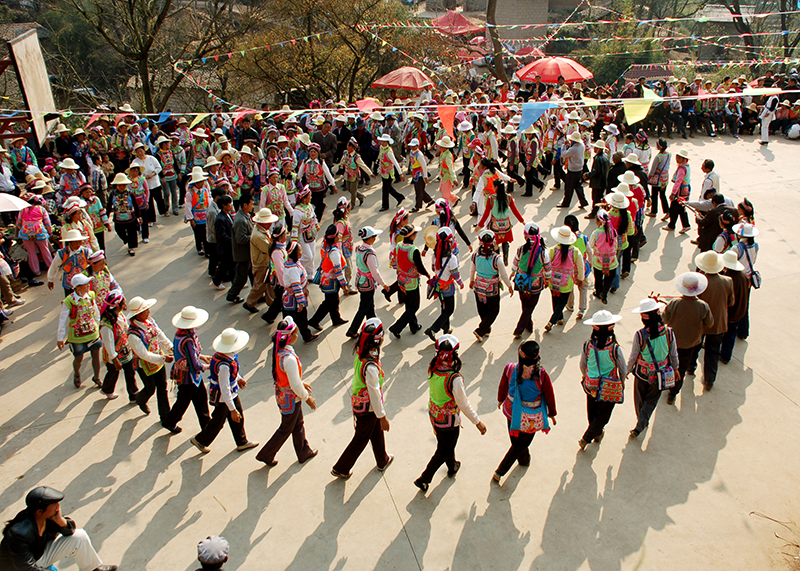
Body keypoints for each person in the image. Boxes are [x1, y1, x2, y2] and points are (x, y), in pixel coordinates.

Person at [414, 334, 486, 492]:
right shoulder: (454, 378)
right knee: (444, 449)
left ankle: (452, 466)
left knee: (446, 444)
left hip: (434, 415)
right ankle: (424, 479)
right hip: (448, 421)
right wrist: (477, 422)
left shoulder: (433, 367)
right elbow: (464, 404)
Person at [331, 318, 394, 479]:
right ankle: (341, 468)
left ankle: (382, 460)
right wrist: (383, 417)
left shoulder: (362, 353)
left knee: (376, 433)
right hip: (368, 409)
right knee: (361, 438)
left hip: (362, 405)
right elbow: (374, 393)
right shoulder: (371, 366)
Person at [0, 486, 116, 571]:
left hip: (39, 556)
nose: (58, 507)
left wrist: (60, 521)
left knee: (79, 537)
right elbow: (26, 568)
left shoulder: (48, 517)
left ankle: (92, 569)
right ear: (40, 511)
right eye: (54, 505)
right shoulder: (19, 533)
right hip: (20, 568)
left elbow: (70, 532)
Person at [256, 316, 319, 466]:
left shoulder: (278, 351)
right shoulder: (289, 358)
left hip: (283, 395)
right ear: (290, 337)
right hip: (292, 398)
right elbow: (295, 385)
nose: (298, 335)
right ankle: (266, 453)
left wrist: (302, 383)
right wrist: (307, 397)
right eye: (296, 333)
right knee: (286, 428)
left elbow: (290, 378)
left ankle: (304, 451)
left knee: (297, 424)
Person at [493, 340, 556, 483]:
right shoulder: (542, 375)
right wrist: (551, 413)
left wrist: (500, 399)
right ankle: (501, 471)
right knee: (520, 445)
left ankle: (524, 460)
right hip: (531, 418)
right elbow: (549, 394)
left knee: (516, 440)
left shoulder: (509, 368)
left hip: (511, 411)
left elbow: (503, 386)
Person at [191, 327, 258, 453]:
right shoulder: (224, 366)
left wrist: (238, 378)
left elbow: (232, 374)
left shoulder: (223, 356)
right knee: (219, 421)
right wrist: (231, 409)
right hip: (225, 397)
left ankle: (241, 441)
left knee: (237, 417)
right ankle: (201, 440)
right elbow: (224, 388)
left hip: (229, 394)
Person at [626, 298, 680, 438]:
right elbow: (673, 353)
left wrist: (627, 370)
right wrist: (676, 368)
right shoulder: (669, 332)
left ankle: (641, 422)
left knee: (639, 399)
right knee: (651, 401)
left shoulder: (640, 335)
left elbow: (634, 356)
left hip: (642, 374)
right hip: (661, 374)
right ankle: (642, 423)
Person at [661, 272, 714, 404]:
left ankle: (666, 383)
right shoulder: (703, 306)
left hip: (672, 341)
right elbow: (710, 323)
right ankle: (673, 393)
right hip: (690, 343)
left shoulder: (674, 303)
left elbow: (664, 319)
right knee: (681, 368)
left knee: (668, 364)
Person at [578, 310, 627, 449]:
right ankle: (587, 438)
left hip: (590, 385)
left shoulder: (588, 345)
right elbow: (623, 368)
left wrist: (585, 376)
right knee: (603, 416)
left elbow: (583, 365)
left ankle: (596, 433)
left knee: (592, 412)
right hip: (608, 386)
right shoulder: (615, 348)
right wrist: (622, 382)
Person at [161, 306, 212, 434]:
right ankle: (170, 421)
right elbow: (195, 365)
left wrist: (202, 357)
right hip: (188, 377)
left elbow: (189, 354)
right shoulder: (188, 340)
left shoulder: (180, 334)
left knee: (198, 399)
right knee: (185, 401)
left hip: (188, 375)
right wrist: (208, 367)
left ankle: (206, 426)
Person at [127, 296, 174, 422]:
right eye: (145, 310)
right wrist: (163, 358)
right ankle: (140, 399)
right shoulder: (133, 334)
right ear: (138, 314)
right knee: (150, 388)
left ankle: (165, 417)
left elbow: (159, 334)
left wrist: (170, 347)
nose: (148, 311)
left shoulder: (150, 321)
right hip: (145, 366)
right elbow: (144, 355)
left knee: (162, 387)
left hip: (159, 360)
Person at [695, 251, 735, 390]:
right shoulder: (728, 281)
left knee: (695, 347)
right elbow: (731, 302)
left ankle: (690, 367)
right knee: (713, 351)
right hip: (719, 323)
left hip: (701, 322)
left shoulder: (700, 282)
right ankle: (709, 380)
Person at [57, 274, 102, 389]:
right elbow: (62, 320)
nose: (88, 286)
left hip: (92, 332)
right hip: (77, 336)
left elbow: (96, 311)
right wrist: (60, 337)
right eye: (85, 284)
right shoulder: (69, 301)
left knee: (96, 356)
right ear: (77, 287)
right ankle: (77, 373)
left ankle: (96, 377)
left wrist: (98, 324)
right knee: (78, 358)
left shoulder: (91, 295)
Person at [346, 226, 389, 338]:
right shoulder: (369, 253)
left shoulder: (360, 248)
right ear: (369, 238)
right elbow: (375, 272)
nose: (375, 238)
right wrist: (384, 284)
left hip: (360, 280)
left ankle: (373, 325)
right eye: (374, 236)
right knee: (364, 307)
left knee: (369, 306)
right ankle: (352, 329)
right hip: (367, 284)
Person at [470, 229, 513, 341]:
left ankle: (486, 329)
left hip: (479, 287)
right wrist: (509, 286)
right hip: (491, 289)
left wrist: (471, 281)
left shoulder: (475, 256)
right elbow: (503, 275)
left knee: (482, 309)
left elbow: (472, 271)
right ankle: (480, 330)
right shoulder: (496, 258)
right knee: (494, 311)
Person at [510, 222, 550, 338]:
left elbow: (515, 263)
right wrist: (547, 279)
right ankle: (519, 329)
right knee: (530, 307)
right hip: (536, 283)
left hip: (522, 281)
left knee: (525, 304)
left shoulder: (521, 249)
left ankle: (529, 324)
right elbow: (548, 268)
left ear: (525, 235)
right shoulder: (543, 252)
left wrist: (513, 273)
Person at [389, 224, 430, 338]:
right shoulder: (414, 250)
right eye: (415, 233)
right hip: (411, 282)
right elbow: (420, 267)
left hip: (401, 280)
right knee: (414, 306)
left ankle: (414, 326)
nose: (416, 235)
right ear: (411, 237)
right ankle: (397, 327)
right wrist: (427, 275)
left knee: (409, 304)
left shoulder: (398, 246)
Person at [98, 291, 139, 402]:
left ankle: (133, 395)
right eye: (123, 302)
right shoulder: (107, 325)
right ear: (117, 305)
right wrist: (114, 359)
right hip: (114, 355)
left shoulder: (120, 315)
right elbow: (109, 343)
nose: (125, 305)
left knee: (130, 373)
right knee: (113, 373)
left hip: (126, 350)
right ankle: (107, 389)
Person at [424, 227, 464, 341]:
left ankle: (446, 330)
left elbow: (433, 268)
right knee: (449, 310)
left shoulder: (434, 256)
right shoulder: (452, 258)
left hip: (438, 287)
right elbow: (455, 274)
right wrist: (460, 282)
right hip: (448, 288)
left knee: (444, 307)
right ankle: (433, 329)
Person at [309, 224, 350, 330]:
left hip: (326, 279)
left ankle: (336, 318)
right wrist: (344, 284)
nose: (339, 236)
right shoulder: (334, 252)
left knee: (334, 300)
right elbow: (338, 270)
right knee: (328, 303)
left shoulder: (325, 247)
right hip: (331, 280)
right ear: (335, 237)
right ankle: (314, 321)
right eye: (338, 234)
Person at [545, 225, 585, 331]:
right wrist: (580, 278)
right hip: (566, 282)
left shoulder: (553, 250)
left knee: (555, 300)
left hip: (553, 280)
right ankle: (552, 321)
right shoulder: (575, 252)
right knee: (562, 302)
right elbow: (581, 266)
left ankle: (560, 318)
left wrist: (546, 277)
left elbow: (547, 264)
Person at [477, 181, 524, 265]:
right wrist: (522, 221)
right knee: (505, 241)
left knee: (495, 244)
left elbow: (486, 213)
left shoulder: (491, 199)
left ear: (496, 187)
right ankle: (505, 257)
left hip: (495, 226)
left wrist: (480, 225)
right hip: (506, 225)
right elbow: (515, 210)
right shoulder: (508, 197)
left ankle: (498, 261)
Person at [243, 207, 279, 313]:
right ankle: (249, 303)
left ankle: (272, 303)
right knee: (260, 286)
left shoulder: (261, 230)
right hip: (261, 263)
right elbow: (268, 248)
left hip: (264, 262)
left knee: (268, 284)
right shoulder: (258, 235)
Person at [282, 241, 318, 343]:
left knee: (302, 319)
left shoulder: (292, 263)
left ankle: (307, 336)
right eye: (300, 250)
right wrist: (301, 302)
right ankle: (282, 339)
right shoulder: (293, 269)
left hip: (292, 298)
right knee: (293, 321)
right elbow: (296, 286)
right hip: (294, 300)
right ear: (295, 252)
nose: (302, 252)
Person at [720, 250, 750, 365]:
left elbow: (727, 299)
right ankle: (726, 356)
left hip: (731, 312)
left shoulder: (728, 279)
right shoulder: (743, 276)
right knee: (731, 334)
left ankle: (724, 355)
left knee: (727, 333)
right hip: (740, 311)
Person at [47, 228, 93, 296]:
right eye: (76, 242)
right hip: (69, 284)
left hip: (84, 283)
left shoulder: (86, 252)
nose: (78, 244)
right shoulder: (62, 253)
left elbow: (92, 265)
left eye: (79, 241)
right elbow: (54, 266)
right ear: (70, 242)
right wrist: (50, 280)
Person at [227, 193, 254, 304]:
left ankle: (257, 294)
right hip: (243, 255)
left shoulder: (245, 215)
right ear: (244, 205)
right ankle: (232, 295)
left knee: (253, 275)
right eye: (251, 204)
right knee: (242, 278)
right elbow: (240, 239)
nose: (253, 206)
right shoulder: (239, 220)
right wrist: (254, 238)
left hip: (248, 253)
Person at [107, 173, 141, 257]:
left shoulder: (130, 193)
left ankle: (131, 248)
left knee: (132, 233)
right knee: (119, 231)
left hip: (130, 217)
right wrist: (106, 217)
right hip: (118, 218)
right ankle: (126, 240)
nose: (122, 187)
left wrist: (139, 216)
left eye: (124, 185)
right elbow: (108, 206)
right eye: (120, 185)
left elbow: (135, 205)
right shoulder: (112, 194)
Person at [261, 224, 288, 325]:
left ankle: (269, 316)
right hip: (280, 281)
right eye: (285, 234)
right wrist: (284, 284)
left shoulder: (280, 248)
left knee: (279, 301)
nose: (286, 236)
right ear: (280, 237)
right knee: (284, 302)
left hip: (281, 280)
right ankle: (286, 323)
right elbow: (279, 270)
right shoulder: (277, 252)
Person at [291, 185, 319, 275]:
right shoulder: (297, 211)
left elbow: (314, 217)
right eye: (309, 196)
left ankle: (310, 274)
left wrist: (316, 224)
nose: (311, 197)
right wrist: (294, 241)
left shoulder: (309, 206)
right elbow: (294, 227)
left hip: (311, 233)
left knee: (313, 254)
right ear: (304, 198)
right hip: (303, 236)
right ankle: (297, 267)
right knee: (308, 256)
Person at [557, 131, 589, 209]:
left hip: (572, 170)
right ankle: (583, 201)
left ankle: (566, 202)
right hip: (579, 169)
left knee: (568, 187)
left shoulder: (573, 149)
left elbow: (563, 154)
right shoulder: (581, 145)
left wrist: (564, 145)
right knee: (578, 186)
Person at [184, 167, 211, 256]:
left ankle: (207, 251)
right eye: (199, 182)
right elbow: (188, 206)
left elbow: (208, 202)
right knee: (198, 234)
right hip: (196, 218)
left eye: (202, 181)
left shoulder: (205, 190)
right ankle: (199, 248)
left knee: (206, 234)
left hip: (205, 216)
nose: (201, 183)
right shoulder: (190, 193)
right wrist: (191, 219)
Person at [663, 149, 691, 234]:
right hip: (685, 189)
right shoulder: (687, 166)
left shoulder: (682, 169)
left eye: (679, 157)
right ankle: (686, 225)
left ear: (683, 159)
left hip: (680, 191)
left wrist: (673, 193)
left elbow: (678, 182)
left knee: (674, 208)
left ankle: (672, 225)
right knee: (681, 208)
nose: (677, 159)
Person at [375, 134, 405, 212]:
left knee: (385, 189)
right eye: (381, 141)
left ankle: (385, 205)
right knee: (388, 188)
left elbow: (395, 162)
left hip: (389, 173)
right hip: (383, 171)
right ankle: (399, 197)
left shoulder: (389, 152)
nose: (382, 143)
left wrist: (400, 173)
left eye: (384, 141)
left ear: (387, 142)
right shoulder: (381, 148)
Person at [211, 195, 234, 290]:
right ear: (224, 205)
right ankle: (216, 281)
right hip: (225, 247)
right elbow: (222, 236)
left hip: (229, 246)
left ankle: (236, 282)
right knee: (223, 265)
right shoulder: (220, 219)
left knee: (231, 266)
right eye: (229, 203)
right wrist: (233, 240)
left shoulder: (227, 215)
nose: (231, 205)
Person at [407, 138, 434, 212]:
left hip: (420, 175)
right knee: (420, 190)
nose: (412, 147)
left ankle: (417, 206)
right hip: (415, 174)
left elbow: (424, 165)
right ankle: (430, 201)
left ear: (417, 146)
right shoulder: (412, 153)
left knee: (418, 191)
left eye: (414, 146)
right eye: (411, 146)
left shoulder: (419, 155)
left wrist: (425, 176)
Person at [647, 138, 671, 217]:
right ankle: (667, 211)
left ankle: (654, 211)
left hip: (657, 179)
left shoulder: (658, 157)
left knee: (654, 195)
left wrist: (648, 178)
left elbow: (653, 169)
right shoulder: (668, 154)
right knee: (663, 195)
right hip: (665, 178)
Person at [585, 139, 609, 218]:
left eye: (596, 148)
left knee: (595, 198)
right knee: (600, 197)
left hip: (597, 182)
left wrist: (587, 175)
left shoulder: (598, 159)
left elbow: (596, 171)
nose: (594, 149)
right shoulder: (605, 156)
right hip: (603, 181)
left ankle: (594, 213)